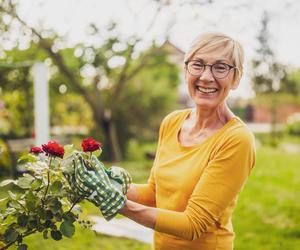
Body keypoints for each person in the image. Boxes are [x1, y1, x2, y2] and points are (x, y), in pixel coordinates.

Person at [66, 32, 256, 250]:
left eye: (220, 67)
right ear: (186, 71)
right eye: (198, 65)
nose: (206, 76)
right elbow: (156, 193)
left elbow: (193, 224)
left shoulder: (236, 139)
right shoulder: (172, 122)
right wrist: (108, 184)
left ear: (236, 79)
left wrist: (118, 204)